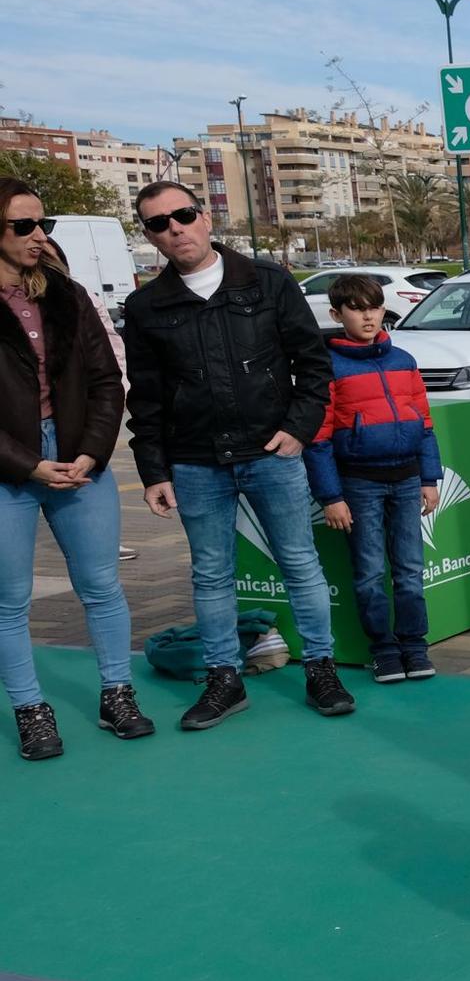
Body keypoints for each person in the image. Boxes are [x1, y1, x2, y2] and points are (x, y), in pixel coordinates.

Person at [122, 181, 352, 728]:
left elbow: (313, 366)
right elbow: (147, 396)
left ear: (204, 217)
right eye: (159, 223)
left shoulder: (268, 283)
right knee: (211, 573)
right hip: (195, 461)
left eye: (182, 214)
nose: (174, 228)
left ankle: (321, 667)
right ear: (150, 237)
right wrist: (153, 469)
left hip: (271, 453)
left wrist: (298, 429)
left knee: (300, 563)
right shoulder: (146, 306)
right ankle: (224, 677)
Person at [0, 178, 155, 758]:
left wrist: (90, 451)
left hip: (78, 459)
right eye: (23, 227)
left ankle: (118, 693)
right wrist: (31, 465)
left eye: (44, 225)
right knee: (8, 601)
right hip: (10, 466)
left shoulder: (69, 296)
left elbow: (106, 382)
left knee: (102, 587)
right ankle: (31, 711)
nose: (38, 236)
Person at [304, 273, 443, 685]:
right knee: (367, 571)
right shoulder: (329, 367)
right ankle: (383, 649)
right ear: (336, 313)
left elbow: (425, 424)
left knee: (410, 568)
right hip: (358, 484)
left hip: (406, 480)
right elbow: (319, 440)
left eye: (374, 307)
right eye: (357, 308)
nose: (368, 316)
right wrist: (331, 495)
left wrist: (429, 477)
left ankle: (415, 646)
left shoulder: (404, 361)